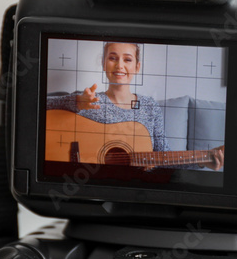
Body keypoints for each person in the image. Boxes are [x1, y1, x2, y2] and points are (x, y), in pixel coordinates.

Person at [47, 42, 225, 170]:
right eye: (112, 58)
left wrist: (203, 160)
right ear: (103, 63)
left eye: (127, 59)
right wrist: (77, 102)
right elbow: (41, 106)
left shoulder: (149, 106)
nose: (120, 65)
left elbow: (165, 155)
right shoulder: (89, 100)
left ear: (137, 66)